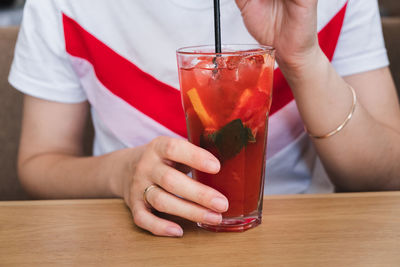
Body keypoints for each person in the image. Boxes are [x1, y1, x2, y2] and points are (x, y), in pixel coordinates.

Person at [9, 0, 400, 237]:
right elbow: (39, 164)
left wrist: (302, 58)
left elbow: (387, 175)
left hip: (308, 239)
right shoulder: (62, 7)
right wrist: (121, 173)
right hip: (142, 239)